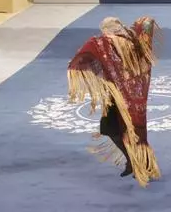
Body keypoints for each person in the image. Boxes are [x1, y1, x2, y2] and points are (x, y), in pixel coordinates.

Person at [67, 16, 161, 187]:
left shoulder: (104, 43)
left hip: (121, 96)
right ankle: (134, 161)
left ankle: (138, 162)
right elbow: (147, 23)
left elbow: (84, 54)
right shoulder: (134, 41)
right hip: (129, 96)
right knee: (125, 130)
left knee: (116, 129)